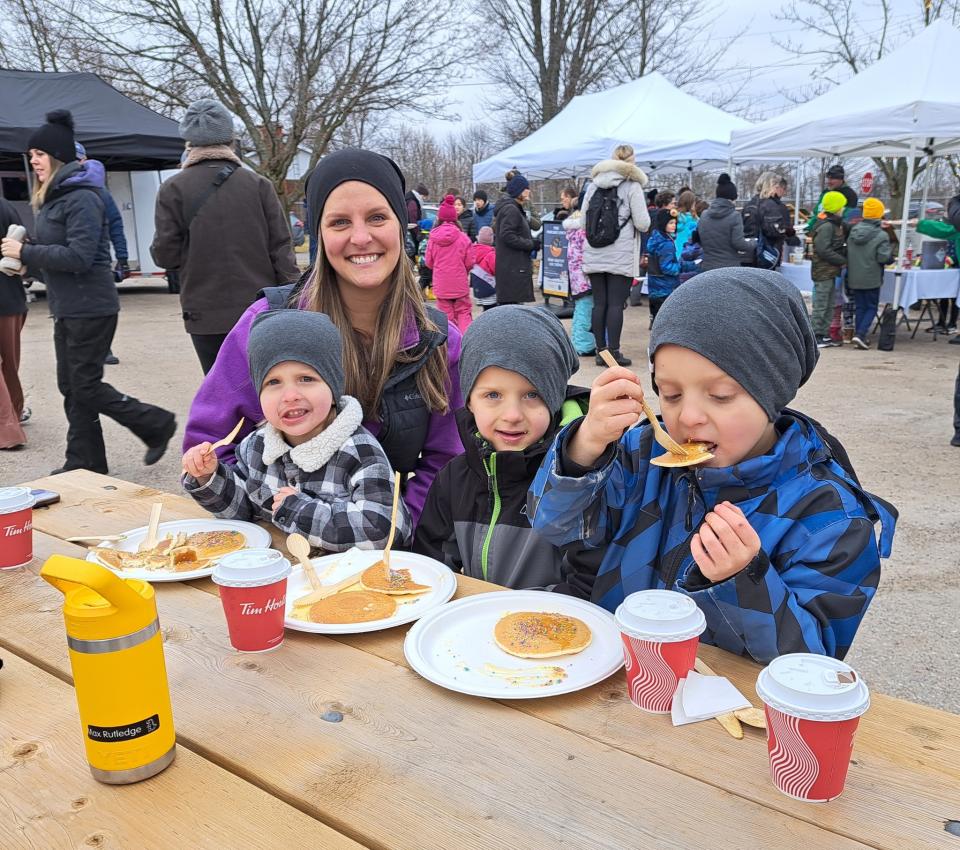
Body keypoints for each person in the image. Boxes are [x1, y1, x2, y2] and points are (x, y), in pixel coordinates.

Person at [529, 269, 897, 663]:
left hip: (727, 710)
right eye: (669, 394)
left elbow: (812, 662)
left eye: (720, 395)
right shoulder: (643, 453)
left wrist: (743, 579)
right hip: (621, 676)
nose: (688, 417)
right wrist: (585, 446)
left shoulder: (830, 519)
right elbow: (555, 526)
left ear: (772, 391)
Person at [183, 147, 463, 524]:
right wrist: (281, 519)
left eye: (378, 217)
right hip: (285, 547)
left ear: (400, 225)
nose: (361, 237)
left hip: (389, 546)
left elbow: (447, 461)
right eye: (340, 222)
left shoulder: (438, 340)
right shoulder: (266, 323)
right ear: (319, 234)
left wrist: (396, 528)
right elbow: (212, 443)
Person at [1, 110, 176, 473]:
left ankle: (154, 423)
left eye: (39, 154)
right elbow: (57, 257)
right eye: (31, 154)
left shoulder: (82, 198)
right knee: (73, 386)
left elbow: (79, 257)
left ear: (58, 156)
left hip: (91, 307)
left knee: (85, 385)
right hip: (68, 307)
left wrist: (26, 252)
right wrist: (26, 265)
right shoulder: (55, 198)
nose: (33, 161)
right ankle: (86, 461)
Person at [183, 310, 412, 550]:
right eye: (273, 382)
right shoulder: (257, 446)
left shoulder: (359, 451)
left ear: (333, 387)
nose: (290, 396)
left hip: (348, 579)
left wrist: (298, 510)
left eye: (306, 379)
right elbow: (240, 509)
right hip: (283, 572)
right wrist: (209, 476)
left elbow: (384, 532)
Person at [414, 306, 586, 587]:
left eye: (532, 394)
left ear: (555, 398)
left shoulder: (576, 479)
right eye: (493, 395)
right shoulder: (452, 479)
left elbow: (587, 579)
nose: (512, 415)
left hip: (552, 625)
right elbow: (433, 569)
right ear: (469, 400)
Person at [151, 99, 299, 374]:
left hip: (204, 313)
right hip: (259, 309)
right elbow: (281, 248)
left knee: (221, 394)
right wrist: (294, 300)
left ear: (189, 144)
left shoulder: (172, 189)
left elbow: (165, 255)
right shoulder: (259, 185)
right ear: (231, 140)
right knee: (266, 388)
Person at [581, 144, 650, 367]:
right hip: (620, 254)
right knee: (615, 304)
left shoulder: (593, 186)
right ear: (632, 161)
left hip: (594, 252)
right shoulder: (632, 186)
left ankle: (601, 351)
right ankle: (614, 352)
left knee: (599, 303)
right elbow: (643, 222)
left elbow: (583, 222)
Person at [76, 141, 127, 365]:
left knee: (102, 306)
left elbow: (116, 223)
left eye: (78, 159)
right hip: (72, 257)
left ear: (84, 160)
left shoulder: (100, 192)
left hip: (98, 259)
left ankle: (104, 347)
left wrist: (122, 257)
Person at [846, 198, 897, 350]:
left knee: (860, 306)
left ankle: (858, 335)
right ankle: (861, 334)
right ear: (879, 215)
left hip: (854, 275)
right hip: (872, 277)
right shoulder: (881, 235)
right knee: (871, 307)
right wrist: (890, 257)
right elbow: (883, 257)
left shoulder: (853, 231)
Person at [0, 197, 28, 449]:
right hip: (11, 299)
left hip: (8, 297)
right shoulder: (6, 206)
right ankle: (14, 414)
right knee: (9, 364)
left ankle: (7, 429)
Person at [426, 195, 473, 333]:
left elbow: (429, 262)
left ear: (439, 218)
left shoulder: (433, 239)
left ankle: (450, 346)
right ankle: (466, 343)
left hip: (441, 285)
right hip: (459, 284)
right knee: (464, 312)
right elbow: (470, 261)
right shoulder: (463, 238)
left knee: (446, 317)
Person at [810, 191, 848, 349]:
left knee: (829, 303)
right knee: (821, 303)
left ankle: (823, 334)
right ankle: (815, 335)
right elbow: (823, 249)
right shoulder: (826, 226)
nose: (844, 209)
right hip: (823, 271)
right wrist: (843, 261)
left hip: (830, 271)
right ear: (837, 207)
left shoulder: (833, 224)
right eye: (842, 206)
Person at [645, 209, 698, 322]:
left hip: (654, 287)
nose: (674, 226)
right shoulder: (666, 244)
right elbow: (668, 268)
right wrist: (686, 266)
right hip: (666, 288)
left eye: (675, 223)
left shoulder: (654, 239)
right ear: (663, 223)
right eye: (670, 223)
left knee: (656, 321)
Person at [493, 172, 536, 306]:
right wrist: (530, 244)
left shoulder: (512, 208)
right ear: (520, 191)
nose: (529, 191)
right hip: (512, 268)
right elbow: (507, 235)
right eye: (526, 188)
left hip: (512, 267)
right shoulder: (511, 209)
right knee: (513, 309)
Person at [914, 214, 960, 335]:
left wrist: (952, 259)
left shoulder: (955, 230)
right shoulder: (951, 233)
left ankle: (952, 324)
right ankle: (941, 322)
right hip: (949, 270)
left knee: (955, 298)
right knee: (944, 296)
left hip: (955, 268)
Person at [697, 174, 754, 271]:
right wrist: (754, 243)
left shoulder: (704, 215)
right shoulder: (735, 216)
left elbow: (700, 239)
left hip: (707, 267)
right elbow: (739, 244)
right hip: (729, 268)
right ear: (732, 198)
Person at [564, 209, 596, 356]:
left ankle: (577, 342)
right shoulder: (584, 233)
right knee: (585, 312)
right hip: (586, 278)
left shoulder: (572, 233)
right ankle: (584, 345)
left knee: (580, 311)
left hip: (577, 279)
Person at [755, 172, 795, 269]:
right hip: (769, 253)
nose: (784, 192)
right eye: (781, 187)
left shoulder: (752, 203)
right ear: (772, 186)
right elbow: (774, 230)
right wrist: (788, 231)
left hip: (753, 253)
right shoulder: (772, 205)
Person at [806, 164, 858, 232]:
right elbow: (817, 212)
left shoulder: (850, 194)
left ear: (841, 179)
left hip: (839, 234)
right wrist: (809, 225)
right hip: (819, 230)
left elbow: (851, 218)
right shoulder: (826, 192)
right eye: (828, 178)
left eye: (832, 179)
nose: (829, 181)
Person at [467, 226, 497, 312]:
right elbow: (495, 269)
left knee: (485, 309)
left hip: (478, 286)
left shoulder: (472, 250)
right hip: (489, 287)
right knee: (492, 309)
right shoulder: (491, 253)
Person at [674, 190, 698, 259]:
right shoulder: (694, 220)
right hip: (688, 252)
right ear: (692, 204)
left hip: (675, 251)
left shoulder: (674, 218)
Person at [405, 183, 429, 253]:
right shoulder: (413, 203)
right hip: (410, 234)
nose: (424, 199)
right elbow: (413, 221)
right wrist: (417, 235)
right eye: (424, 197)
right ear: (421, 195)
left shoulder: (409, 199)